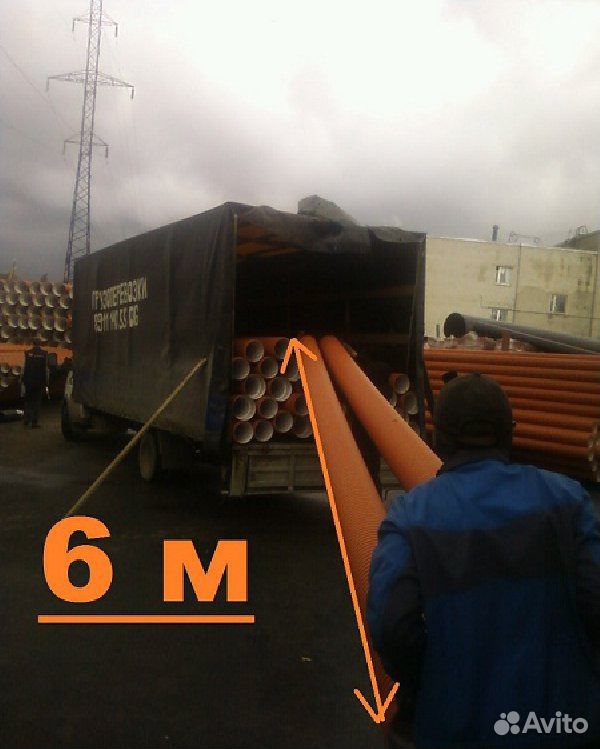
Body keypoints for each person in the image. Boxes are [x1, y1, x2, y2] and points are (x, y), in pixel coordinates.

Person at [367, 372, 600, 748]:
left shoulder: (410, 516)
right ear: (510, 433)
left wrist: (426, 684)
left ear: (439, 439)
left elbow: (391, 626)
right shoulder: (568, 500)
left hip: (457, 726)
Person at [22, 338, 49, 428]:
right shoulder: (44, 354)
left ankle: (26, 420)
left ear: (32, 343)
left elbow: (23, 367)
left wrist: (22, 379)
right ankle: (34, 422)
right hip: (39, 381)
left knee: (28, 401)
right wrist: (47, 381)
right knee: (37, 402)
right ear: (40, 344)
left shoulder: (27, 353)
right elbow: (46, 369)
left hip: (28, 380)